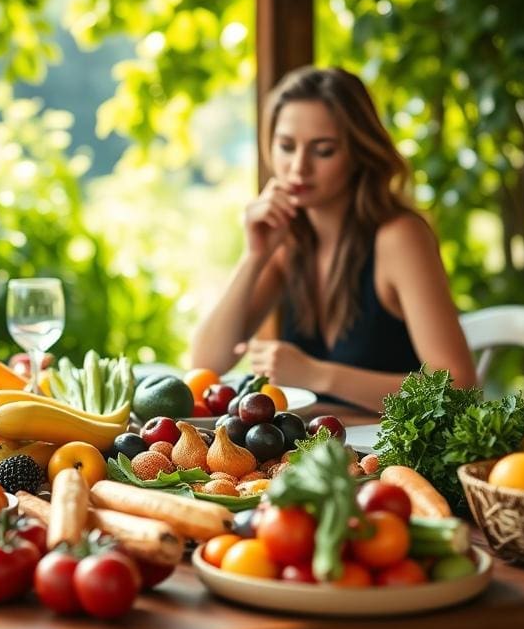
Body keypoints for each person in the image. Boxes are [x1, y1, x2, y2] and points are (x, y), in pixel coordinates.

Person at [190, 66, 476, 413]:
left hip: (387, 455)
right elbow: (205, 365)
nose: (298, 168)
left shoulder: (398, 238)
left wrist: (317, 375)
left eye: (322, 150)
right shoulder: (289, 240)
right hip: (313, 449)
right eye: (286, 146)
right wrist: (255, 256)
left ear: (358, 151)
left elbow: (458, 385)